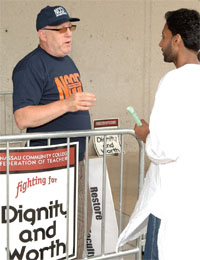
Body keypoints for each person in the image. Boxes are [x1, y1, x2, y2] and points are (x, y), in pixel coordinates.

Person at [12, 5, 96, 259]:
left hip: (76, 160)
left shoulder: (67, 61)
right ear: (42, 34)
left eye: (70, 27)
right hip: (50, 167)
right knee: (54, 232)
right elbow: (22, 117)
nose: (68, 33)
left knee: (81, 225)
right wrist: (68, 104)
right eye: (60, 29)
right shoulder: (30, 67)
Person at [117, 8, 200, 260]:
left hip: (171, 204)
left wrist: (145, 135)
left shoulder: (173, 82)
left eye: (164, 36)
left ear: (177, 40)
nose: (160, 43)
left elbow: (163, 148)